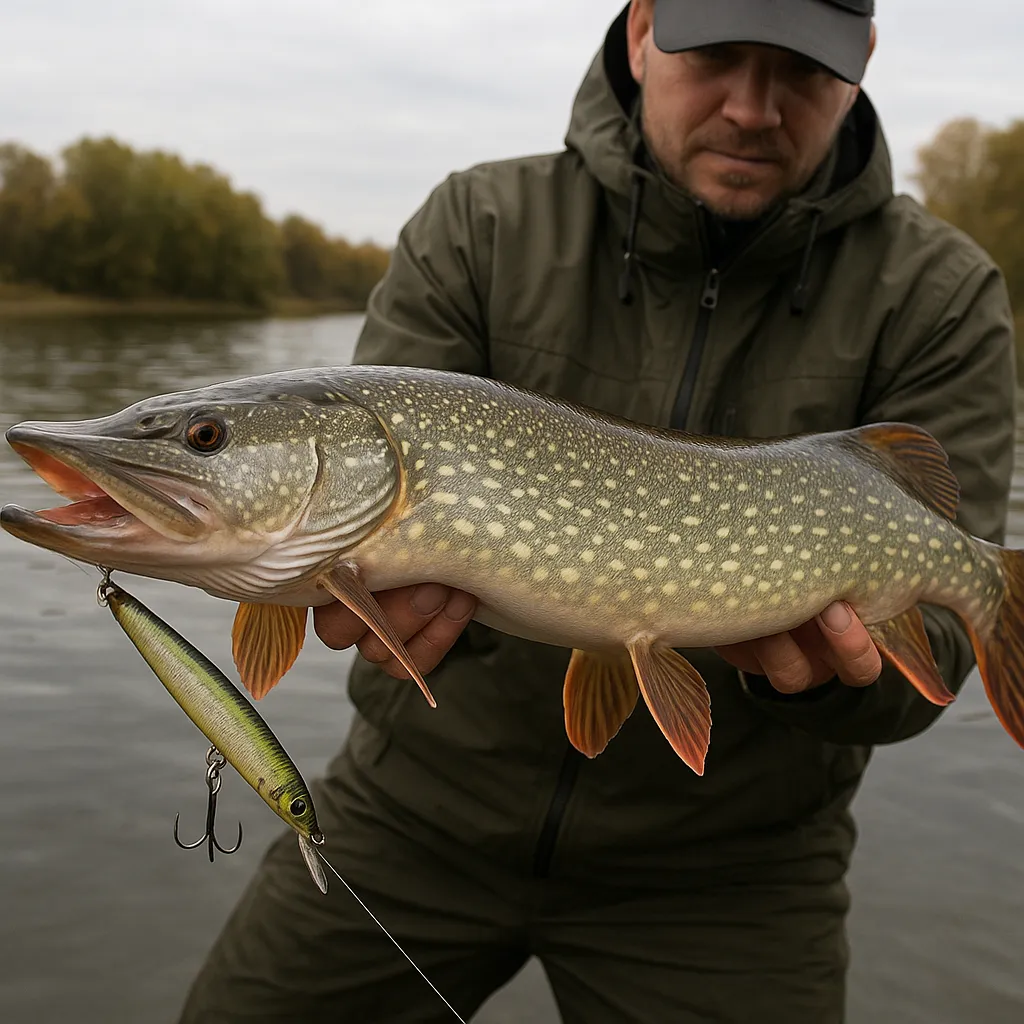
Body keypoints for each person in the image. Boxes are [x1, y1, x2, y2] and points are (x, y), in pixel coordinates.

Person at [179, 1, 1016, 1021]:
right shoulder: (478, 227)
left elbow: (927, 661)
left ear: (860, 66)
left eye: (798, 71)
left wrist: (814, 686)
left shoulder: (938, 296)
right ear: (640, 33)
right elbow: (353, 537)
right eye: (715, 55)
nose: (752, 108)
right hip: (415, 814)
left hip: (734, 875)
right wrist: (329, 585)